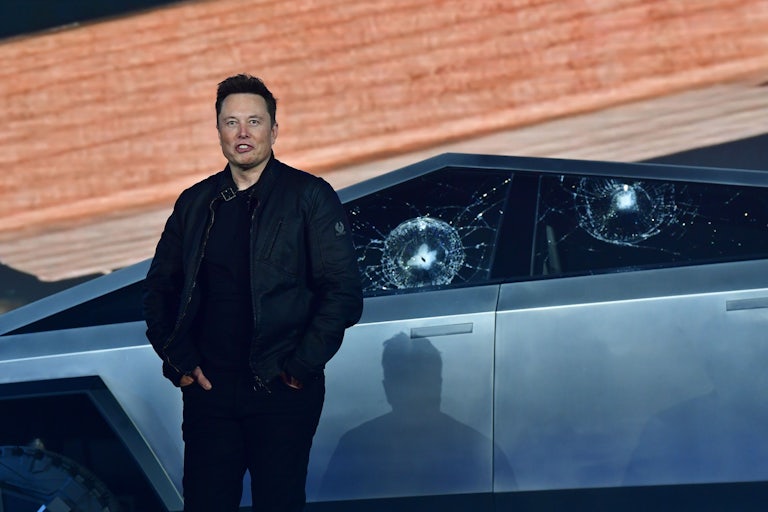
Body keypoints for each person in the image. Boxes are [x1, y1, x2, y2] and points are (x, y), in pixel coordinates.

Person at [142, 73, 363, 512]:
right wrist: (181, 364)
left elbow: (342, 293)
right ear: (219, 131)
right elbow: (159, 291)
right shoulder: (195, 202)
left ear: (274, 130)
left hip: (282, 391)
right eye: (231, 122)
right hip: (210, 394)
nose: (242, 133)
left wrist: (298, 368)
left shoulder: (310, 196)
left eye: (254, 122)